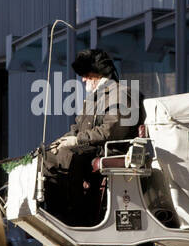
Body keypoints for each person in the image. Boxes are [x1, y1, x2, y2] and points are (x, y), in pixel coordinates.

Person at [42, 48, 138, 224]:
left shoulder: (121, 94)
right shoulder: (95, 98)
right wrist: (59, 142)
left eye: (86, 74)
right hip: (92, 148)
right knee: (47, 155)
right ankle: (56, 211)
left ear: (99, 74)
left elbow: (111, 130)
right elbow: (77, 127)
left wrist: (77, 140)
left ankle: (74, 214)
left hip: (108, 150)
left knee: (66, 155)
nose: (83, 79)